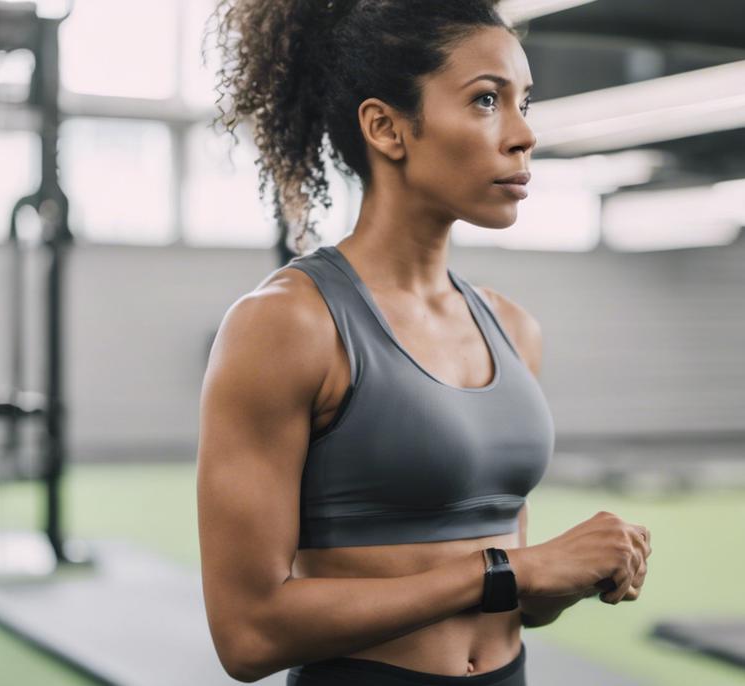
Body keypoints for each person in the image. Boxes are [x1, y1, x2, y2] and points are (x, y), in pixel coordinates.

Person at [195, 1, 652, 683]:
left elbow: (514, 598)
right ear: (386, 128)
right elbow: (249, 634)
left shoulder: (512, 329)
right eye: (487, 100)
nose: (523, 134)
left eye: (525, 102)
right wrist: (512, 571)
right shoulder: (289, 324)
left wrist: (565, 576)